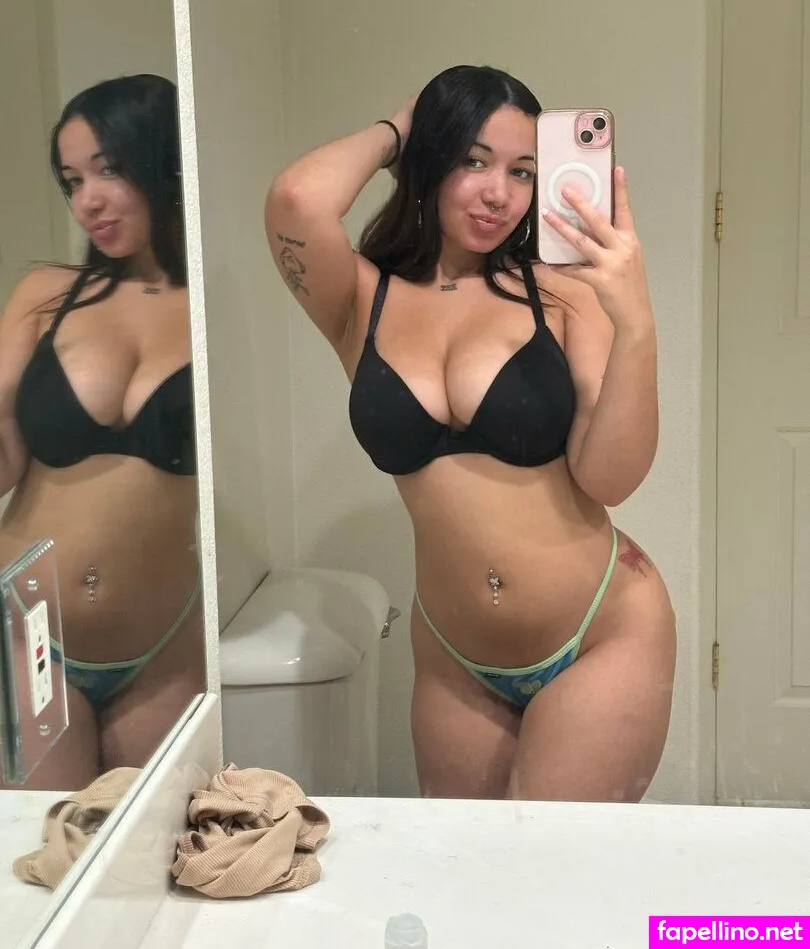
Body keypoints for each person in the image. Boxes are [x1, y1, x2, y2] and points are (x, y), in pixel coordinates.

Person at [264, 64, 675, 802]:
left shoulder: (562, 294)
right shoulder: (361, 299)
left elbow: (611, 479)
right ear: (430, 159)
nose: (499, 194)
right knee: (464, 868)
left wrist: (636, 323)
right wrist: (400, 129)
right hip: (456, 660)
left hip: (600, 634)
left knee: (548, 866)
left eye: (522, 171)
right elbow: (297, 199)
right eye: (473, 160)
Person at [0, 74, 203, 790]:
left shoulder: (210, 306)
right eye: (72, 180)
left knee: (156, 848)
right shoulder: (45, 295)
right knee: (40, 848)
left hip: (164, 648)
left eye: (109, 170)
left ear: (165, 165)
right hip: (30, 635)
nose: (87, 200)